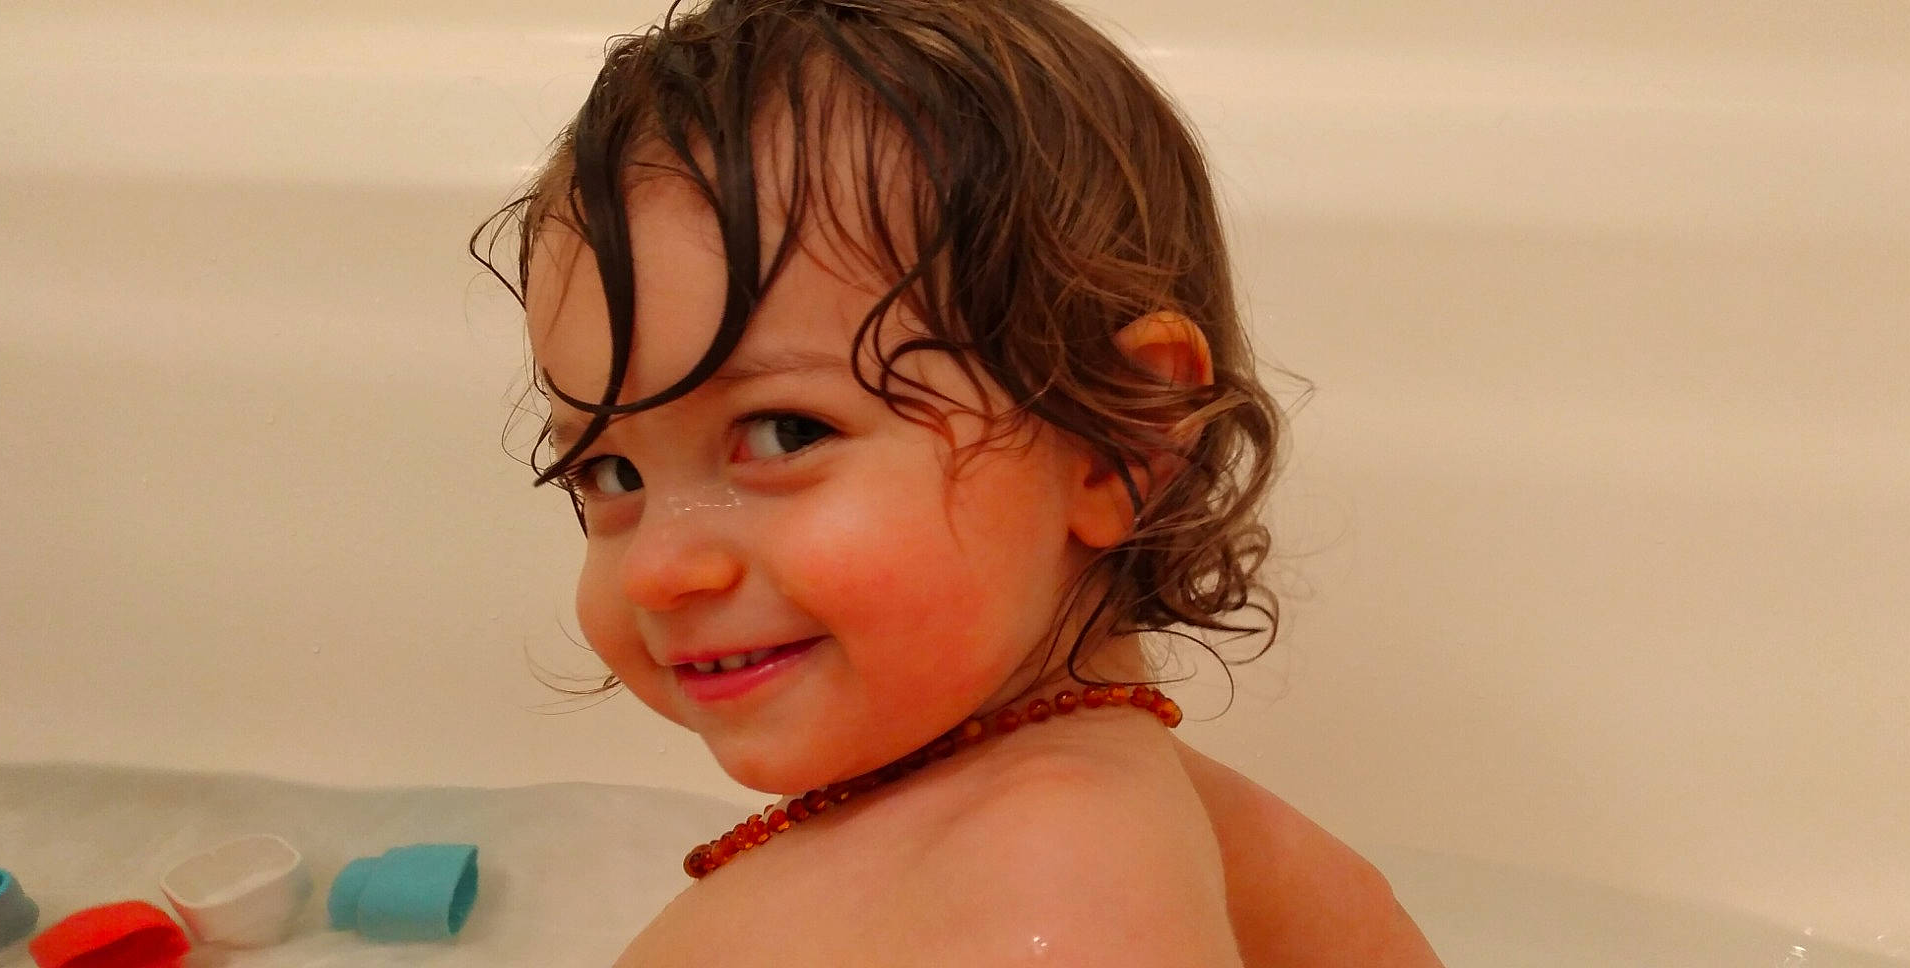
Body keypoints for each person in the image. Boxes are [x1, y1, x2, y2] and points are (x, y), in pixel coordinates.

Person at [472, 1, 1443, 964]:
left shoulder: (1053, 885)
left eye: (784, 431)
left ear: (1114, 435)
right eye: (609, 470)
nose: (658, 568)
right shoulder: (1150, 822)